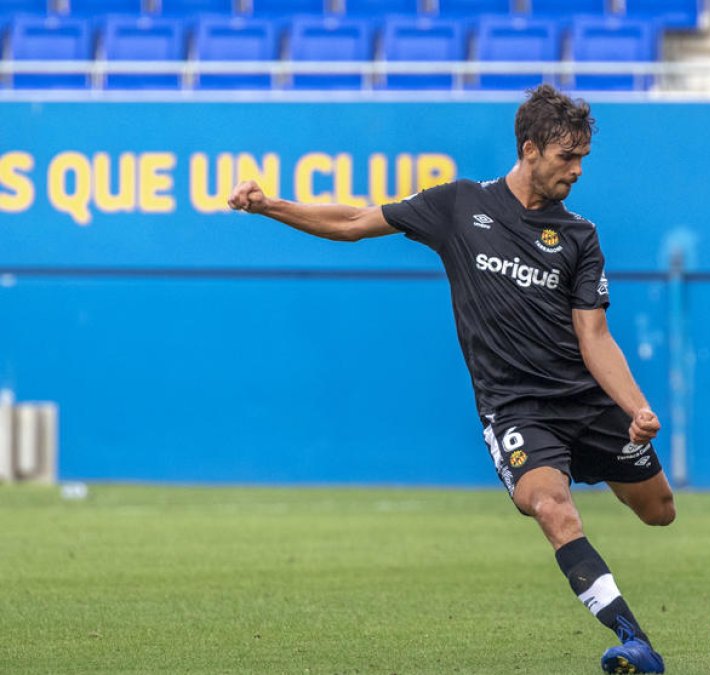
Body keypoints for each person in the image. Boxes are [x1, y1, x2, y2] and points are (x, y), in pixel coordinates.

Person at [227, 85, 672, 674]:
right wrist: (269, 206)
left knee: (658, 511)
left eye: (583, 157)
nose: (578, 170)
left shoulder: (579, 237)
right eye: (568, 156)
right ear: (530, 148)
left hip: (586, 404)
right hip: (517, 409)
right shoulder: (460, 205)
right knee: (550, 507)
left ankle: (592, 464)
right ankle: (634, 640)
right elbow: (355, 221)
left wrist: (637, 409)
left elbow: (595, 337)